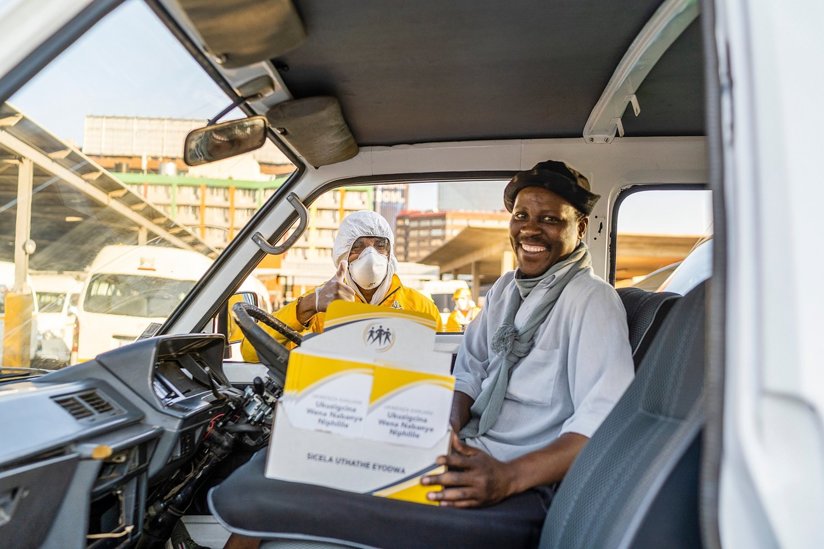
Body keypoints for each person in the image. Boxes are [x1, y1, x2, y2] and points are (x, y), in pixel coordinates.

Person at [421, 160, 634, 515]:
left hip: (523, 486)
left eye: (550, 219)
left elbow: (603, 421)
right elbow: (470, 372)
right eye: (521, 216)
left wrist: (507, 477)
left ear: (580, 227)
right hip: (473, 454)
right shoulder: (504, 290)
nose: (530, 231)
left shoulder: (592, 300)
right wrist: (448, 432)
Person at [240, 210, 443, 361]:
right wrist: (309, 304)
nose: (370, 255)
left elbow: (442, 363)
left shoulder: (420, 307)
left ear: (390, 254)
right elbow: (250, 352)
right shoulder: (319, 305)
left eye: (380, 245)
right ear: (342, 254)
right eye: (358, 246)